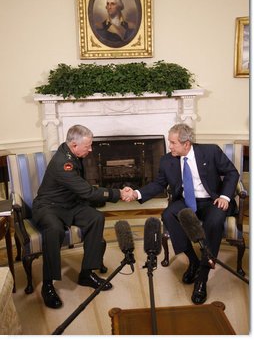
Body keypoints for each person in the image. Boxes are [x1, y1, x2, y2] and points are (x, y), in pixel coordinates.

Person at [123, 123, 239, 304]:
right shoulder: (167, 160)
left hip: (212, 200)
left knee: (214, 222)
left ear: (186, 143)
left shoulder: (210, 151)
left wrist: (225, 196)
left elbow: (232, 173)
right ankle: (193, 260)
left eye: (173, 143)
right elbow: (158, 184)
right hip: (186, 201)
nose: (170, 147)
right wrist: (136, 193)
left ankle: (202, 277)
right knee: (169, 214)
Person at [32, 124, 132, 309]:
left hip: (70, 205)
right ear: (73, 144)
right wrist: (118, 193)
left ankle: (86, 273)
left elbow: (81, 192)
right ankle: (48, 285)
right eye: (88, 146)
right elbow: (86, 192)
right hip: (49, 207)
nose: (91, 149)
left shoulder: (73, 153)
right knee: (54, 230)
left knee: (96, 218)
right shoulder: (64, 163)